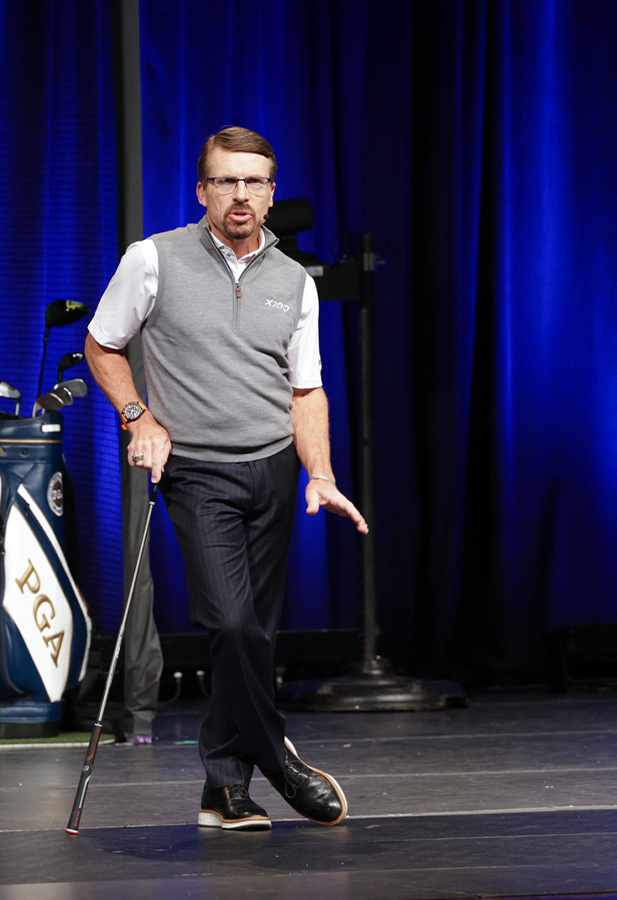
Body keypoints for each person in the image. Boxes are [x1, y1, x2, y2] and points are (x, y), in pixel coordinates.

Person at [85, 126, 368, 831]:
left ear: (272, 193)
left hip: (272, 469)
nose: (239, 195)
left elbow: (307, 392)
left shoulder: (294, 281)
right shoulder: (154, 259)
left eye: (253, 182)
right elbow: (102, 342)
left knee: (251, 639)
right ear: (202, 190)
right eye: (225, 181)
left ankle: (224, 790)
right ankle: (281, 762)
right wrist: (138, 417)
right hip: (196, 470)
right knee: (233, 621)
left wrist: (321, 472)